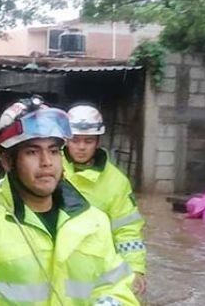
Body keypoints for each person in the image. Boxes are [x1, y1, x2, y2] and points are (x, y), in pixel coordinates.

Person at [0, 99, 137, 305]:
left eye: (53, 151)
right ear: (8, 161)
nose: (47, 162)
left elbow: (118, 289)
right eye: (32, 152)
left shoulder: (95, 222)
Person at [65, 104, 147, 297]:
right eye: (75, 140)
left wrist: (135, 269)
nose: (82, 147)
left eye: (88, 141)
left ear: (98, 141)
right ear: (65, 139)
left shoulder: (116, 183)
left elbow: (127, 231)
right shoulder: (49, 167)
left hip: (95, 265)